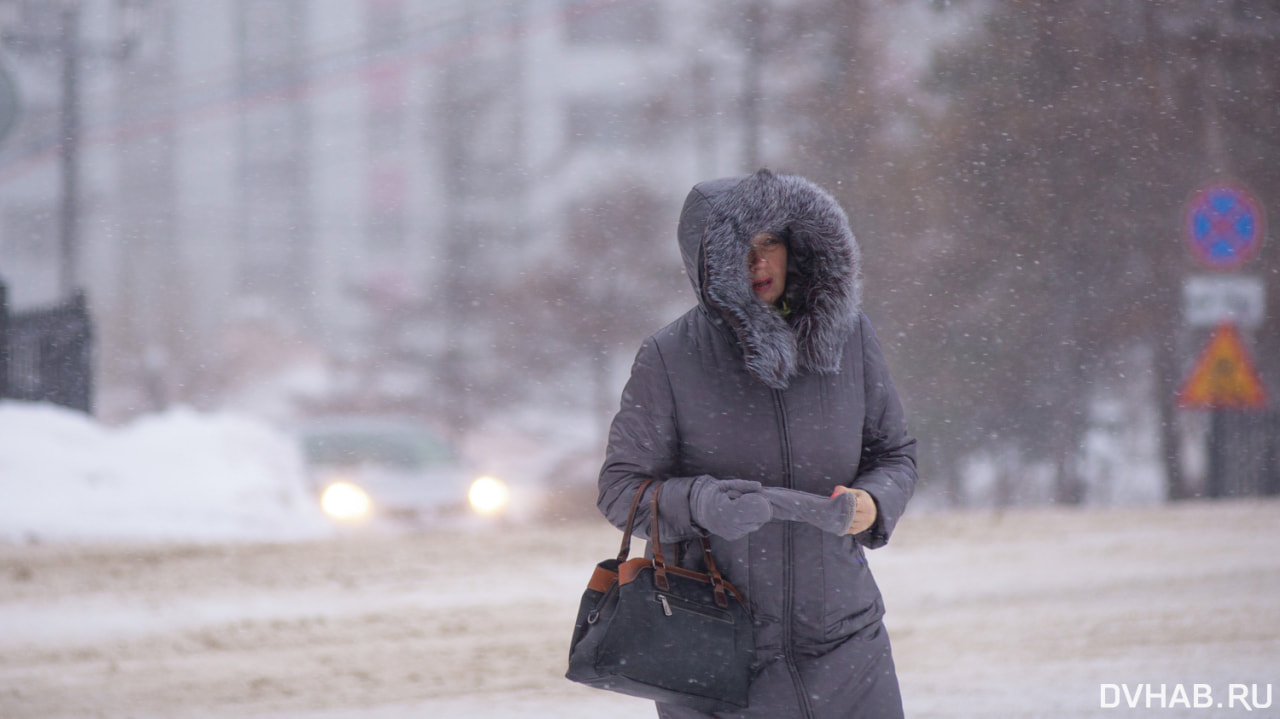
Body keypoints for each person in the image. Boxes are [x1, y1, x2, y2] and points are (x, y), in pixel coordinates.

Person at [597, 169, 918, 719]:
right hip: (714, 653)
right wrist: (699, 502)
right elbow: (620, 491)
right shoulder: (670, 358)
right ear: (705, 262)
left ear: (798, 244)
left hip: (848, 643)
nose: (758, 263)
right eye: (737, 248)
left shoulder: (850, 335)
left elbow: (895, 454)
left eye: (769, 242)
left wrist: (875, 501)